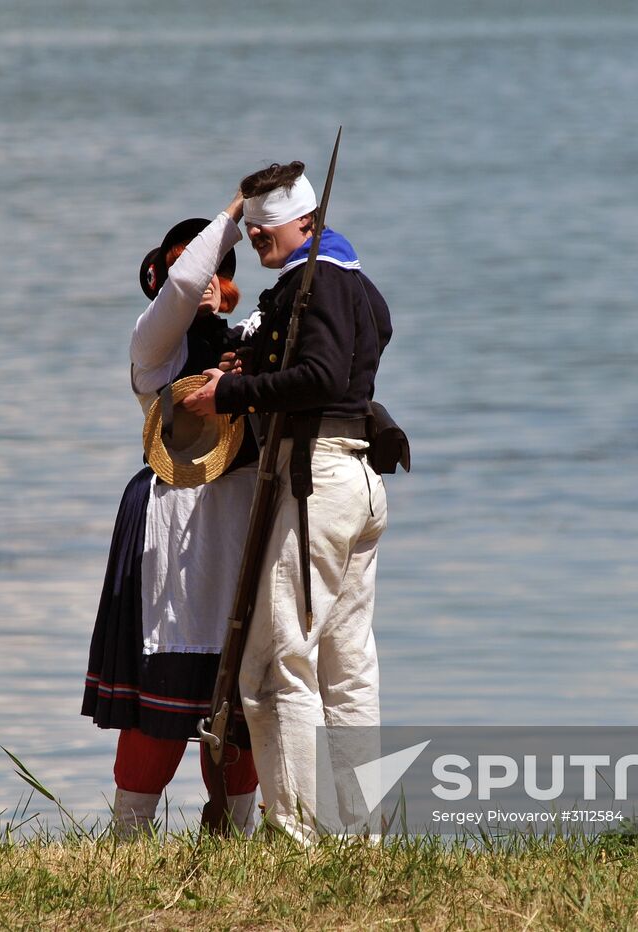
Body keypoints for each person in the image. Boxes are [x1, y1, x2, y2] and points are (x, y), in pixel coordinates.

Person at [183, 162, 391, 842]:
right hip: (354, 479)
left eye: (260, 227)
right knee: (347, 668)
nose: (254, 240)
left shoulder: (315, 281)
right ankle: (362, 832)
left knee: (275, 663)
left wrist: (234, 394)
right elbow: (358, 353)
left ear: (301, 222)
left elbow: (324, 375)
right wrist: (262, 369)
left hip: (318, 482)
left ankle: (297, 837)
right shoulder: (351, 281)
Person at [81, 195, 260, 837]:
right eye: (186, 268)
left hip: (239, 517)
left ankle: (235, 835)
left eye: (218, 269)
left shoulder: (250, 338)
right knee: (162, 685)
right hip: (172, 516)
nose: (203, 281)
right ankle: (129, 838)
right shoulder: (153, 342)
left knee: (242, 691)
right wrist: (237, 211)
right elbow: (185, 288)